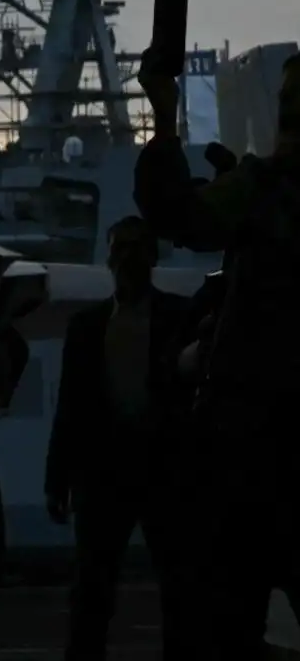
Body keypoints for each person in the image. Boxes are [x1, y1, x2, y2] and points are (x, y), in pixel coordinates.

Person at [135, 54, 300, 659]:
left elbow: (181, 215)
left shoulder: (262, 191)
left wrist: (162, 114)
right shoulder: (259, 192)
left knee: (223, 622)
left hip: (247, 443)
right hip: (251, 440)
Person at [43, 215, 192, 659]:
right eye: (121, 248)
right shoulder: (89, 328)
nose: (128, 258)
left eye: (135, 247)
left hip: (155, 472)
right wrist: (57, 478)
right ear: (110, 259)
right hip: (112, 474)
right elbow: (70, 408)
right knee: (94, 589)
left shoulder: (176, 319)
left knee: (172, 590)